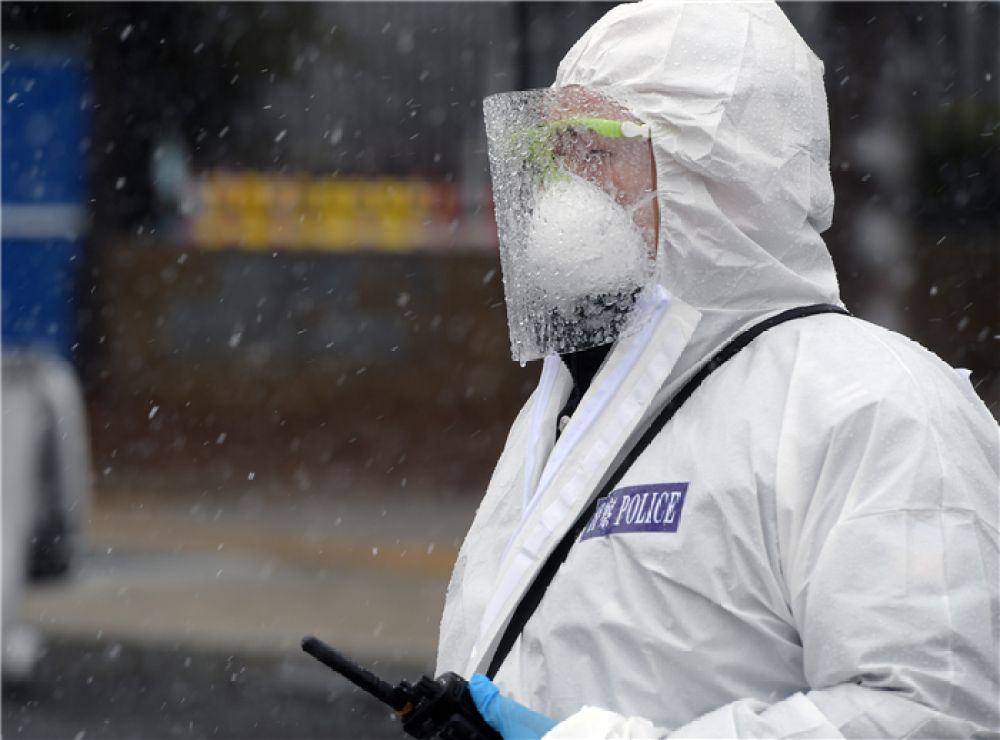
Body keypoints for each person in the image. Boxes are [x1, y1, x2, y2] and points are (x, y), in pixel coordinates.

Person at [435, 1, 1000, 738]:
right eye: (556, 150)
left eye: (596, 147)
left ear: (716, 171)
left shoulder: (874, 406)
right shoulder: (575, 405)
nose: (564, 182)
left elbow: (933, 712)